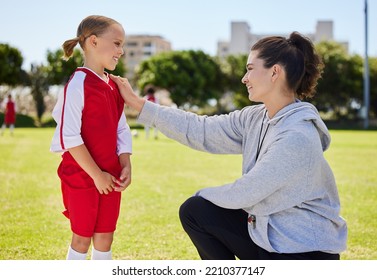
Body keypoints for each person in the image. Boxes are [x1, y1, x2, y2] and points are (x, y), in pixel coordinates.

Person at [110, 31, 348, 260]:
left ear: (275, 72)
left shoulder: (297, 136)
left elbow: (248, 192)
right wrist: (140, 105)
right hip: (268, 237)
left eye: (250, 69)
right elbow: (201, 129)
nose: (244, 78)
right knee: (196, 211)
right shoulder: (255, 117)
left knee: (200, 203)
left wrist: (204, 194)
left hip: (304, 253)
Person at [50, 15, 132, 260]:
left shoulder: (114, 86)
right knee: (82, 237)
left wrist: (126, 162)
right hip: (82, 176)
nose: (122, 50)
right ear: (94, 41)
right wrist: (97, 176)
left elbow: (121, 129)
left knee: (105, 236)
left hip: (111, 176)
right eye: (117, 43)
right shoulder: (78, 84)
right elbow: (69, 136)